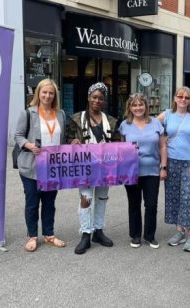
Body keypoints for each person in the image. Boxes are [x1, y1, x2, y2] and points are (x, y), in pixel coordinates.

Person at [14, 78, 67, 252]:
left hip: (52, 167)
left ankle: (49, 234)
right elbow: (18, 135)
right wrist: (28, 145)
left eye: (51, 93)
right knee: (32, 203)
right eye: (44, 92)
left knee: (50, 202)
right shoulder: (29, 113)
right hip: (31, 167)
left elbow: (63, 139)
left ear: (55, 95)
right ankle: (32, 236)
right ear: (39, 93)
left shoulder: (61, 114)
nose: (47, 95)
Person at [68, 82, 119, 255]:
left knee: (102, 198)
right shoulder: (75, 118)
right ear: (88, 98)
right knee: (86, 198)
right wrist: (72, 142)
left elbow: (118, 143)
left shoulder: (111, 121)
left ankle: (98, 230)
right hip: (85, 166)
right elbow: (67, 139)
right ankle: (85, 233)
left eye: (101, 98)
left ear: (104, 101)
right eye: (94, 97)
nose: (97, 100)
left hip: (105, 166)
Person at [157, 86, 190, 252]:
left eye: (187, 97)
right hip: (171, 161)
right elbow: (151, 127)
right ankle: (179, 231)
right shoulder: (167, 114)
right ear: (175, 98)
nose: (183, 100)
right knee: (174, 197)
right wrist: (162, 141)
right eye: (180, 96)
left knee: (187, 197)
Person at [119, 93, 167, 249]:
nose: (137, 108)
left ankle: (149, 235)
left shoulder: (155, 123)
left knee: (151, 205)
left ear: (146, 106)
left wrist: (163, 167)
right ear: (130, 107)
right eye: (134, 105)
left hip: (152, 170)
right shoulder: (124, 125)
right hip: (131, 171)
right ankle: (135, 235)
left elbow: (162, 146)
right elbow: (120, 149)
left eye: (140, 104)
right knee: (134, 204)